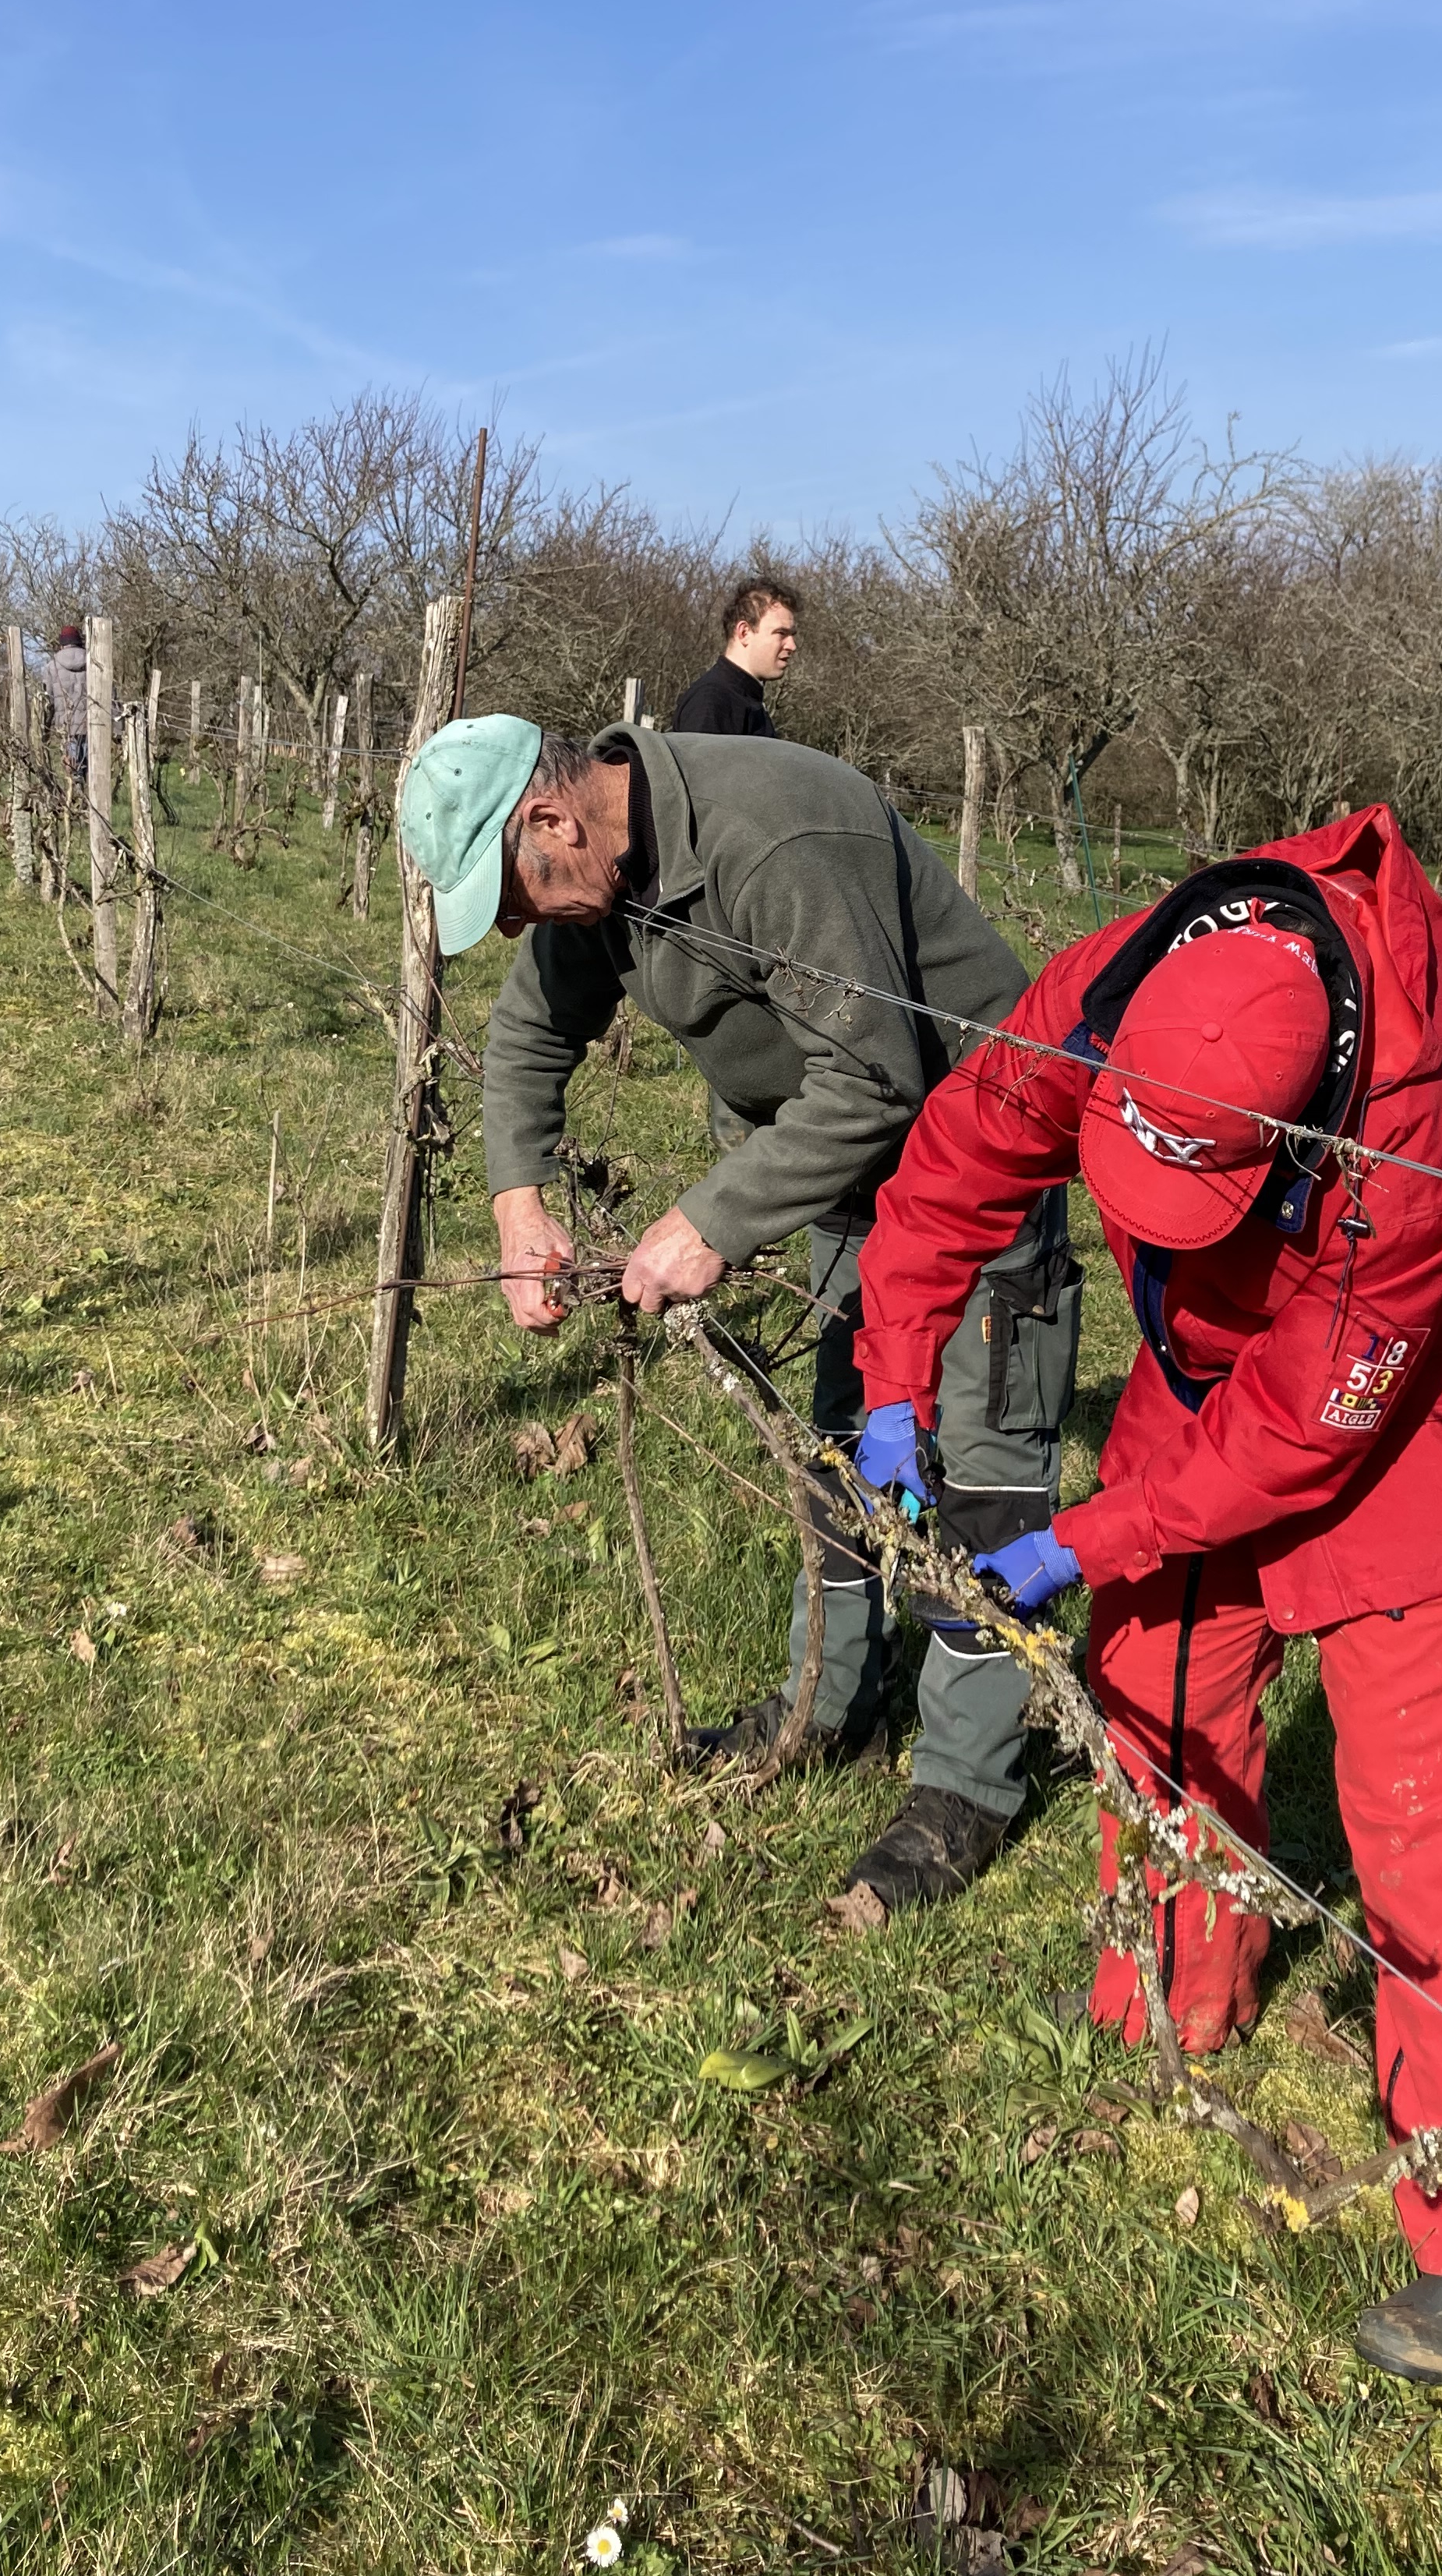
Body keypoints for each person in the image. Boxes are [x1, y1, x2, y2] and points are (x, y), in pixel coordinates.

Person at [851, 808, 1442, 2387]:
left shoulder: (1418, 1127)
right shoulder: (1113, 990)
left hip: (1435, 1405)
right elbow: (961, 1159)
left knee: (1427, 1803)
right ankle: (1168, 1998)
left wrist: (1080, 1537)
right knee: (1156, 1681)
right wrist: (893, 1372)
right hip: (1213, 1358)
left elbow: (1302, 1428)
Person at [398, 709, 1080, 1917]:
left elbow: (876, 1077)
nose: (511, 928)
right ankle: (833, 1705)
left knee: (979, 1472)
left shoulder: (772, 840)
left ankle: (969, 1786)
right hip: (845, 1178)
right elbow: (530, 1028)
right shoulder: (602, 879)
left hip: (981, 1160)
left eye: (507, 898)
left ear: (552, 820)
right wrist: (517, 1208)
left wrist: (710, 1222)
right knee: (847, 1443)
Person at [670, 576, 800, 737]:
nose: (792, 645)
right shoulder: (712, 700)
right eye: (781, 633)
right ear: (744, 633)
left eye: (792, 635)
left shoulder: (746, 698)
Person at [48, 624, 89, 785]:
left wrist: (47, 725)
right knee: (89, 765)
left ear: (62, 643)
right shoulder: (93, 661)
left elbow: (48, 699)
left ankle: (76, 790)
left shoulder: (52, 665)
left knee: (72, 765)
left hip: (66, 723)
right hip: (90, 723)